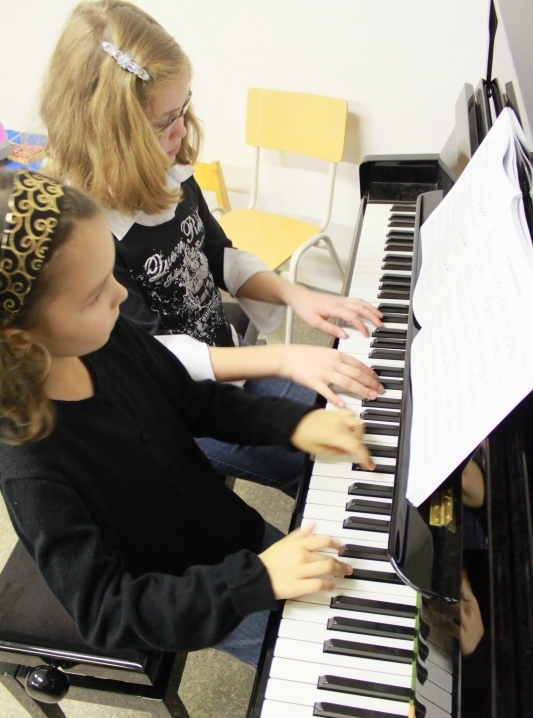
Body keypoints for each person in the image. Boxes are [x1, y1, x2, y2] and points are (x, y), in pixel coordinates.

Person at [0, 168, 375, 667]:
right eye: (94, 294)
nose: (119, 295)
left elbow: (193, 401)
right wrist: (255, 581)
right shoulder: (30, 471)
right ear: (20, 341)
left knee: (359, 605)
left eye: (111, 273)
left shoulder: (106, 336)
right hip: (196, 594)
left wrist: (293, 424)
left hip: (236, 538)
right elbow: (108, 612)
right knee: (330, 661)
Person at [39, 0, 384, 497]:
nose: (181, 131)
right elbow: (161, 354)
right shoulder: (91, 236)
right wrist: (285, 358)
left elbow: (219, 255)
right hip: (182, 410)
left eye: (183, 109)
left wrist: (297, 295)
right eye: (164, 122)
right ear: (109, 135)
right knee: (328, 466)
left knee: (355, 414)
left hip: (230, 367)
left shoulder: (167, 170)